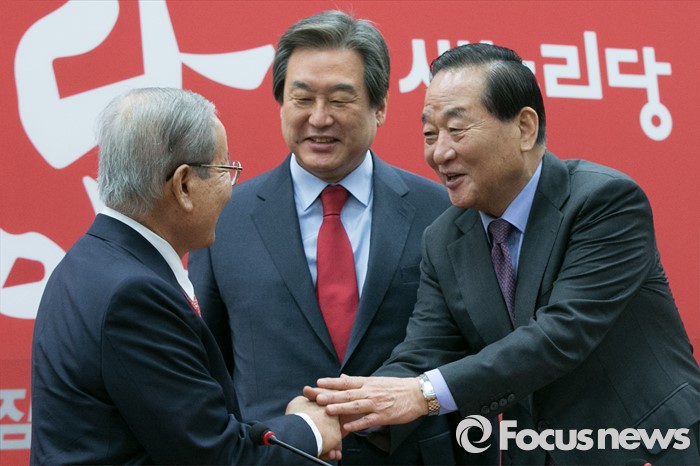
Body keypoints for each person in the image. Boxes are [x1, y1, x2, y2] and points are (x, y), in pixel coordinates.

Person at [307, 43, 700, 465]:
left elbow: (561, 334)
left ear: (525, 128)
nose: (439, 153)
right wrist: (341, 411)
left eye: (457, 129)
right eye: (430, 135)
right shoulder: (443, 238)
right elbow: (423, 353)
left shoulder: (604, 202)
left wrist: (422, 394)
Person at [187, 10, 485, 465]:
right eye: (302, 98)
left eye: (340, 100)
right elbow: (208, 365)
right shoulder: (225, 215)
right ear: (281, 104)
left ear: (380, 107)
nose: (319, 118)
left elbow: (468, 356)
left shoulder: (442, 212)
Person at [30, 87, 341, 465]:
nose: (230, 190)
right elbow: (217, 457)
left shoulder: (89, 263)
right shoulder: (134, 296)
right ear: (183, 185)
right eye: (226, 171)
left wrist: (287, 426)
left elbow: (184, 431)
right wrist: (310, 429)